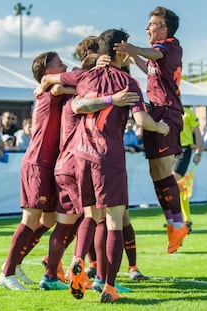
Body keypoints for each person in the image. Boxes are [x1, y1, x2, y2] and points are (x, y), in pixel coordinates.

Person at [40, 29, 169, 303]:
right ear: (120, 50)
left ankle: (78, 261)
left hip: (81, 158)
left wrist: (44, 86)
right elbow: (142, 121)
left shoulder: (85, 77)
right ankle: (109, 286)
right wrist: (161, 126)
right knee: (114, 222)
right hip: (108, 158)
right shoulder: (127, 82)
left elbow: (63, 91)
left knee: (90, 216)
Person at [113, 6, 191, 255]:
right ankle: (173, 224)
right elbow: (152, 69)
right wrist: (135, 57)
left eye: (152, 24)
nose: (148, 27)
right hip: (157, 110)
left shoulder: (170, 45)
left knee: (163, 171)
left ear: (164, 28)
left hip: (166, 111)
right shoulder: (158, 54)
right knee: (156, 172)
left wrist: (134, 49)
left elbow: (154, 56)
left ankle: (178, 223)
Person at [0, 51, 72, 291]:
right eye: (59, 63)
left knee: (48, 219)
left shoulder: (52, 89)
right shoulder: (52, 91)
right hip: (38, 163)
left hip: (50, 164)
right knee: (29, 219)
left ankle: (16, 263)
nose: (65, 65)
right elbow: (78, 85)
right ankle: (6, 273)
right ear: (48, 72)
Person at [172, 106, 203, 225]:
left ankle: (180, 218)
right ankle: (184, 218)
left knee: (173, 180)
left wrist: (199, 152)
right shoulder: (168, 112)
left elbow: (198, 134)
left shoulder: (188, 113)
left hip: (184, 150)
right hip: (171, 150)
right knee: (177, 186)